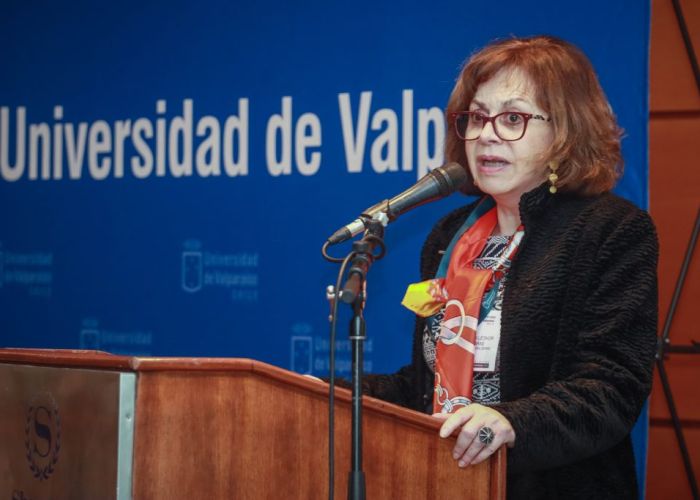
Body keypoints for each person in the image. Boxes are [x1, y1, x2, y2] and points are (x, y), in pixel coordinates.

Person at [361, 35, 658, 499]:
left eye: (513, 118)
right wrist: (329, 393)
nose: (487, 134)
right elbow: (431, 386)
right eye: (478, 117)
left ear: (564, 131)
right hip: (445, 483)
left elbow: (610, 388)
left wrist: (509, 422)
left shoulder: (610, 230)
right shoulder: (451, 235)